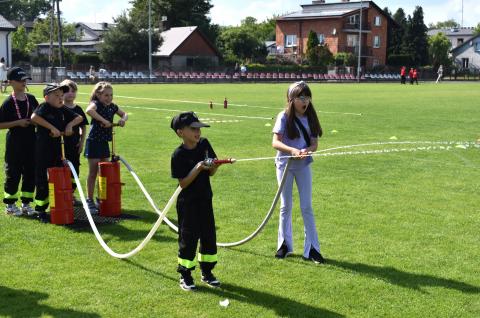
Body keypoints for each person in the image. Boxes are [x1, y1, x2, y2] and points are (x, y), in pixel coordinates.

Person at [272, 81, 325, 264]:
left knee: (306, 207)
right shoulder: (283, 117)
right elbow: (275, 142)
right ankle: (284, 245)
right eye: (301, 97)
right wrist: (292, 151)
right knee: (285, 206)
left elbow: (314, 144)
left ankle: (312, 249)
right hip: (284, 165)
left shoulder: (310, 118)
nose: (305, 101)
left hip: (303, 166)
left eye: (308, 97)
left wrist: (306, 151)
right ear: (291, 99)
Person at [170, 111, 221, 291]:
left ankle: (207, 272)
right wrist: (198, 167)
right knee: (188, 239)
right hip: (188, 204)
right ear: (180, 132)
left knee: (208, 237)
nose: (197, 132)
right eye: (193, 129)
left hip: (205, 199)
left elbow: (212, 172)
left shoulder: (204, 144)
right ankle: (185, 275)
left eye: (199, 128)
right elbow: (183, 183)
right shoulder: (178, 155)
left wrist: (213, 166)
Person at [30, 83, 83, 222]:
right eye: (56, 96)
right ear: (46, 97)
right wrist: (52, 127)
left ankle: (58, 205)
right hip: (43, 151)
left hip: (59, 151)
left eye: (61, 95)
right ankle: (40, 210)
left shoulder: (62, 109)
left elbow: (79, 118)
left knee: (59, 178)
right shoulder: (44, 107)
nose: (60, 98)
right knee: (42, 179)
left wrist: (70, 124)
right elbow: (34, 118)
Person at [0, 67, 39, 216]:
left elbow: (39, 117)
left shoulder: (31, 98)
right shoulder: (9, 102)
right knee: (13, 173)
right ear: (10, 82)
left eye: (25, 79)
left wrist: (36, 122)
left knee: (30, 172)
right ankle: (10, 206)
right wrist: (17, 122)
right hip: (15, 143)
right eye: (20, 80)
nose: (23, 82)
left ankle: (26, 204)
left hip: (31, 141)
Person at [84, 82, 128, 213]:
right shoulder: (96, 104)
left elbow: (124, 114)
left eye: (111, 95)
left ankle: (101, 198)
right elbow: (89, 110)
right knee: (93, 172)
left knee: (103, 173)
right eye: (106, 95)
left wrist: (123, 120)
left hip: (104, 142)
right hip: (93, 141)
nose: (109, 98)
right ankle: (89, 200)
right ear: (98, 95)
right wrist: (103, 121)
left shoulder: (112, 106)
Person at [60, 79, 89, 205]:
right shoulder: (58, 108)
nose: (71, 94)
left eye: (73, 91)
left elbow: (83, 127)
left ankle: (71, 194)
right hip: (60, 145)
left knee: (74, 170)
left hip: (74, 145)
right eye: (67, 91)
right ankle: (61, 194)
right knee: (61, 169)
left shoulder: (78, 109)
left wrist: (82, 142)